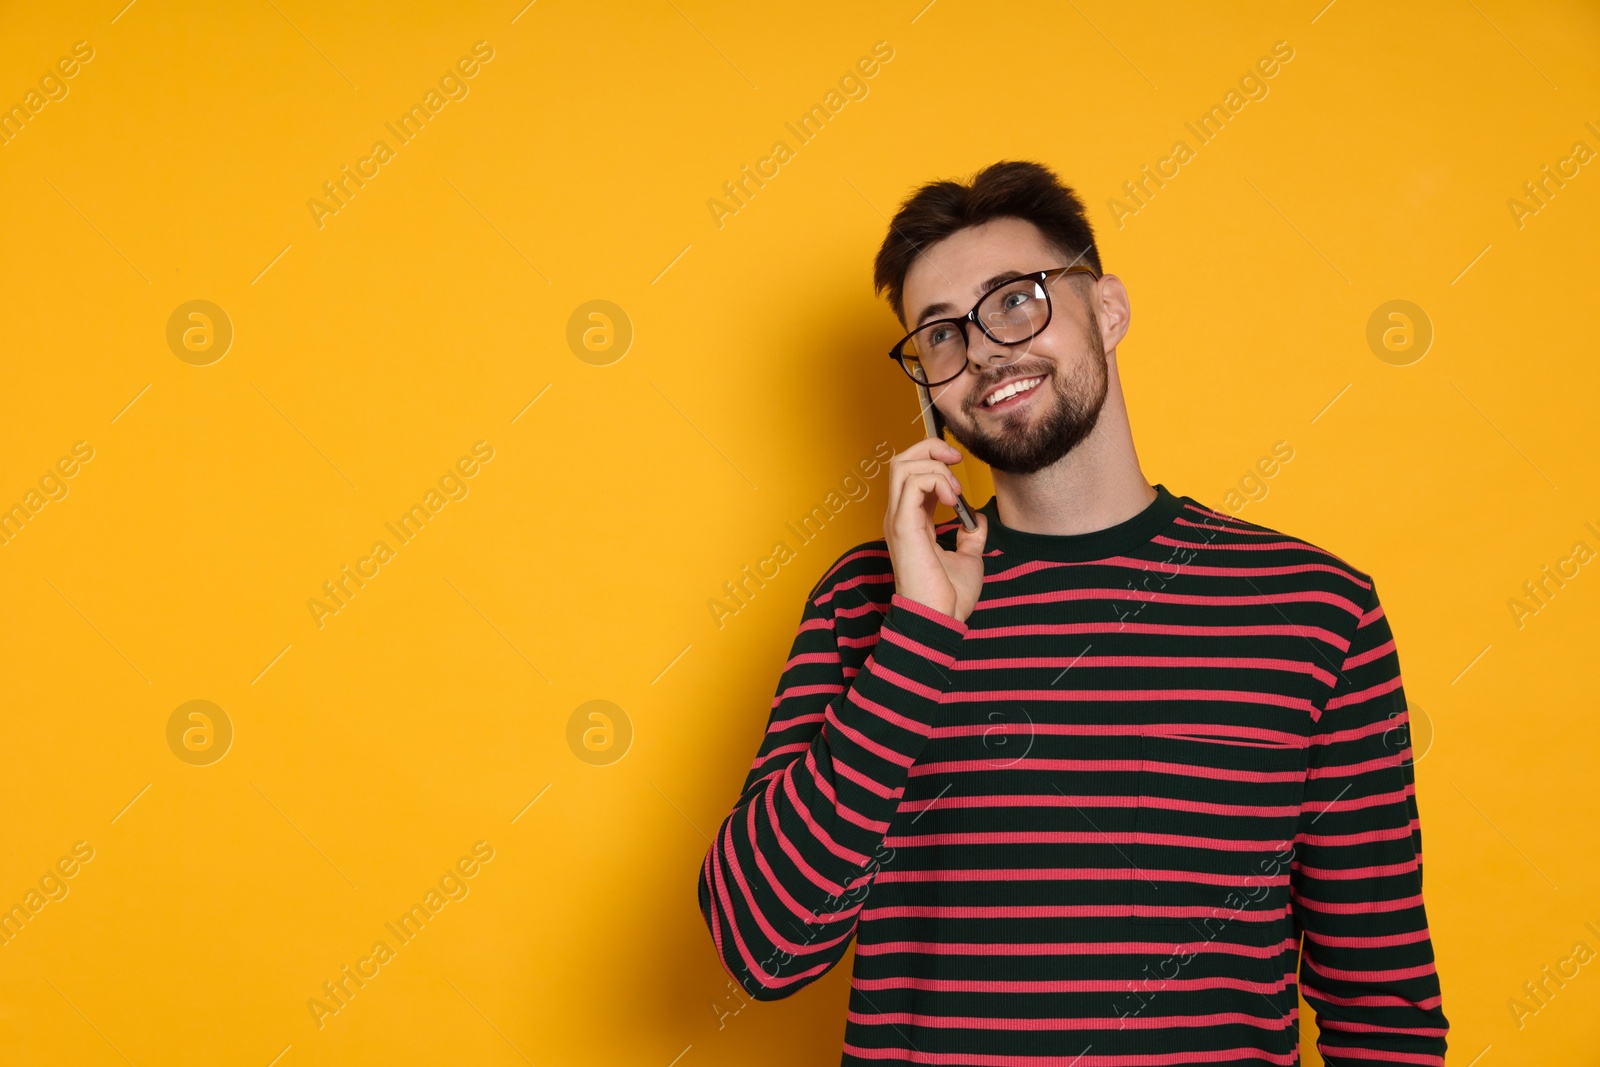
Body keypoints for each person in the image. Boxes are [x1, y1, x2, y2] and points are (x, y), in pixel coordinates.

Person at [697, 160, 1448, 1065]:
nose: (982, 353)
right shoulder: (869, 603)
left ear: (1109, 310)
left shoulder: (1314, 609)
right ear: (925, 384)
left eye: (1015, 301)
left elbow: (1382, 1000)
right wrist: (920, 638)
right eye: (940, 335)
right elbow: (761, 945)